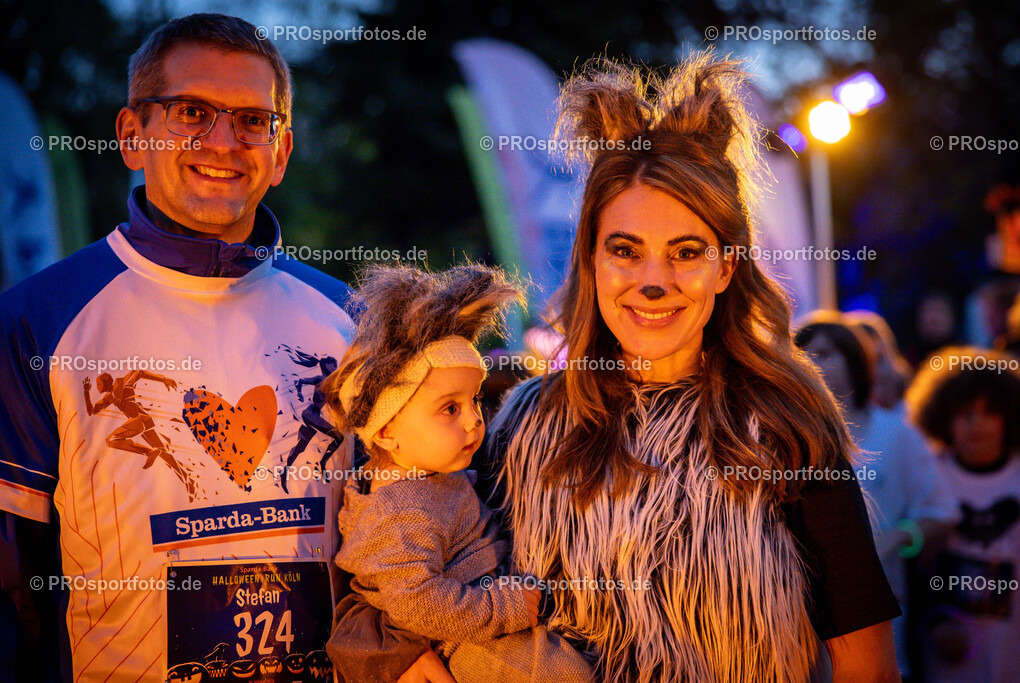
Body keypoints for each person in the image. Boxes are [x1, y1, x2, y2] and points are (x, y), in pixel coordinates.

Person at [341, 51, 902, 682]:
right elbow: (400, 561)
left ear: (727, 265)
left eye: (686, 251)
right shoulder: (522, 426)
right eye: (625, 251)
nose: (653, 283)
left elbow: (868, 666)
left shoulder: (786, 423)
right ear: (591, 262)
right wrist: (394, 652)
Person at [0, 13, 375, 680]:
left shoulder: (354, 321)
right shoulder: (36, 320)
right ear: (131, 136)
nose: (223, 141)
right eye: (193, 112)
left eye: (253, 121)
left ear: (282, 150)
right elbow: (12, 584)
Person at [320, 264, 593, 682]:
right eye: (450, 408)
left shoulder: (432, 475)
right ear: (388, 429)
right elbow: (415, 601)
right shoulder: (399, 506)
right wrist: (507, 607)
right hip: (467, 649)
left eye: (475, 401)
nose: (474, 421)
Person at [795, 313, 956, 678]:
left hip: (879, 621)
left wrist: (897, 539)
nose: (808, 362)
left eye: (823, 353)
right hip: (798, 633)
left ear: (855, 362)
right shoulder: (784, 440)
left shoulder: (895, 434)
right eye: (801, 352)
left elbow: (942, 513)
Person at [905, 347, 1020, 683]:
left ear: (1010, 416)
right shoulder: (927, 475)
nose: (977, 424)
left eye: (990, 412)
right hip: (944, 661)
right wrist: (934, 620)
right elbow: (910, 563)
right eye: (965, 413)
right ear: (943, 416)